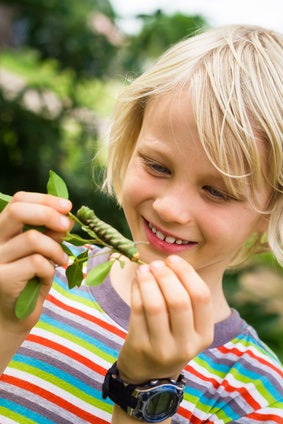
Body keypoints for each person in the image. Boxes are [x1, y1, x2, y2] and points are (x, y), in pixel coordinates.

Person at [0, 24, 282, 424]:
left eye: (217, 192)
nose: (170, 208)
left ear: (271, 211)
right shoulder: (34, 274)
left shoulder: (255, 395)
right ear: (131, 142)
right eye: (157, 165)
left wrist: (147, 393)